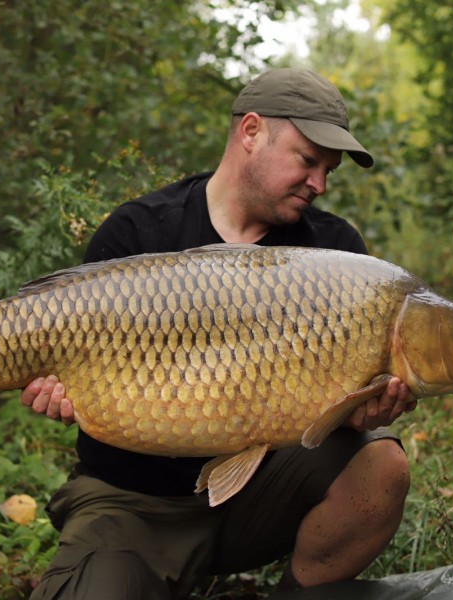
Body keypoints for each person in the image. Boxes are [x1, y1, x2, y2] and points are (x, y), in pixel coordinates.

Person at [22, 68, 416, 599]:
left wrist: (367, 408)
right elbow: (73, 370)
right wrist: (59, 389)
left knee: (380, 461)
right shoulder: (138, 232)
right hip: (132, 502)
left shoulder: (334, 253)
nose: (319, 184)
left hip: (262, 492)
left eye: (329, 170)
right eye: (307, 160)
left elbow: (348, 409)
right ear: (251, 132)